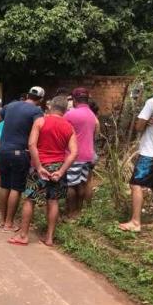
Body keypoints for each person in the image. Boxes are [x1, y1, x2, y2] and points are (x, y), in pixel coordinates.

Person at [8, 97, 78, 246]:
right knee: (53, 202)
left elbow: (32, 144)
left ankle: (23, 236)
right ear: (65, 110)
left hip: (40, 166)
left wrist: (39, 167)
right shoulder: (69, 127)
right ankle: (49, 238)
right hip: (58, 167)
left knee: (30, 200)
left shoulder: (40, 121)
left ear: (50, 106)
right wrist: (61, 170)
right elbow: (74, 153)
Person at [119, 71, 153, 233]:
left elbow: (138, 127)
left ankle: (135, 222)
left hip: (150, 151)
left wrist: (146, 122)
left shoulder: (152, 102)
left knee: (136, 184)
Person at [0, 86, 45, 232]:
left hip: (2, 151)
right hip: (19, 152)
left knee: (4, 185)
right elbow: (41, 129)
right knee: (16, 188)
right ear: (40, 100)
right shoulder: (37, 111)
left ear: (27, 95)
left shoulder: (10, 105)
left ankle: (2, 221)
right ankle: (9, 224)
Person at [64, 88, 99, 221]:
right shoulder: (92, 115)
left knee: (70, 185)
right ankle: (79, 211)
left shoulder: (70, 114)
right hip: (88, 155)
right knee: (82, 184)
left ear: (74, 99)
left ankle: (70, 213)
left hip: (73, 155)